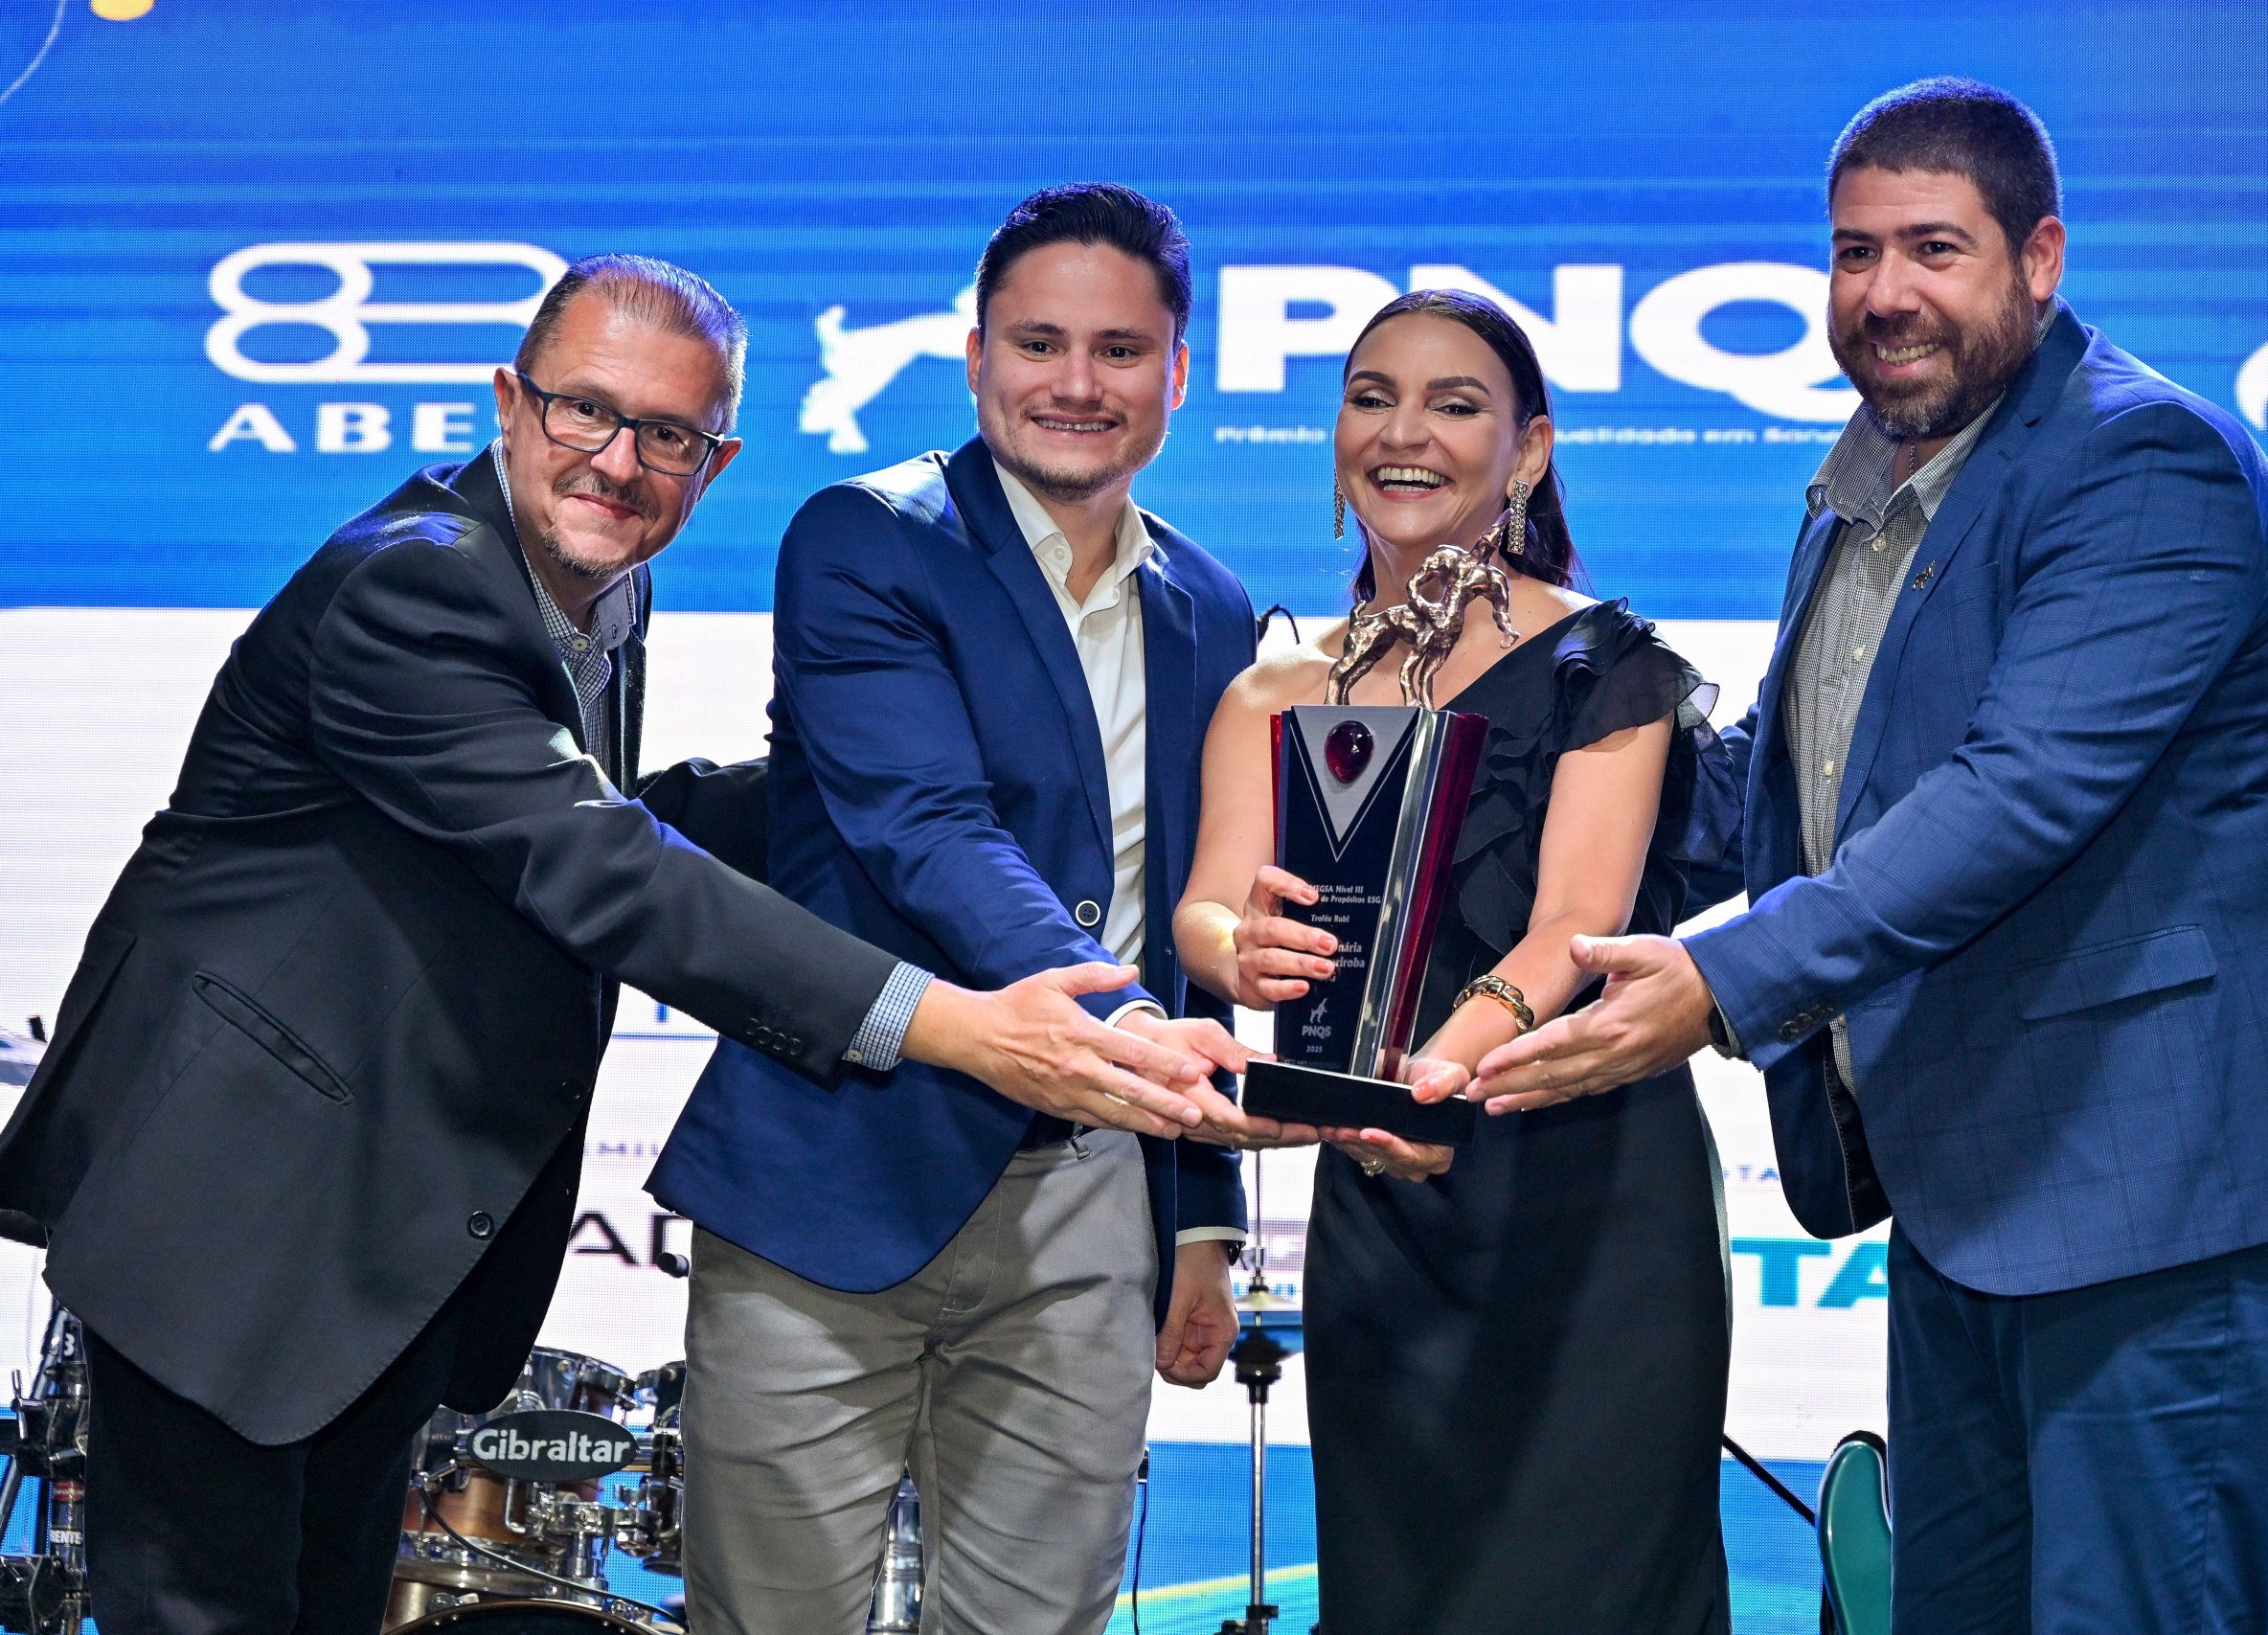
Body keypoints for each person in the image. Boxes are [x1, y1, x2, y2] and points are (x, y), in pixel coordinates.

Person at [0, 253, 1219, 1635]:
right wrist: (955, 1024)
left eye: (668, 435)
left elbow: (614, 816)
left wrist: (885, 777)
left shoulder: (588, 591)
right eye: (585, 410)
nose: (619, 462)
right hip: (231, 1211)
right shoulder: (413, 586)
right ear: (509, 402)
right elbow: (600, 865)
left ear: (717, 461)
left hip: (368, 1240)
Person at [1472, 80, 2268, 1634]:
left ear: (2040, 258)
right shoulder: (1872, 479)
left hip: (2163, 1170)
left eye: (1933, 248)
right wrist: (1481, 817)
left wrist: (1715, 981)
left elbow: (2016, 797)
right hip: (1979, 1171)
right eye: (1855, 252)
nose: (1884, 292)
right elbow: (1793, 785)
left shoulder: (2143, 461)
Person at [648, 185, 1283, 1635]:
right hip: (836, 1176)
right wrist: (1141, 1035)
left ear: (1178, 370)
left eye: (1120, 350)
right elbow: (926, 830)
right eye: (1038, 343)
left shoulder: (1213, 607)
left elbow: (1188, 905)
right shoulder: (866, 540)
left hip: (1088, 1209)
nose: (1077, 384)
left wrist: (1199, 1214)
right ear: (978, 352)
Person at [1175, 289, 1741, 1635]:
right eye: (1371, 398)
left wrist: (1421, 1078)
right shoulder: (1274, 688)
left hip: (1587, 1198)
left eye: (1454, 403)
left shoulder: (1606, 664)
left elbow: (1573, 929)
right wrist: (1246, 949)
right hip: (1386, 1214)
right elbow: (1204, 912)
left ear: (1528, 449)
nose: (1403, 433)